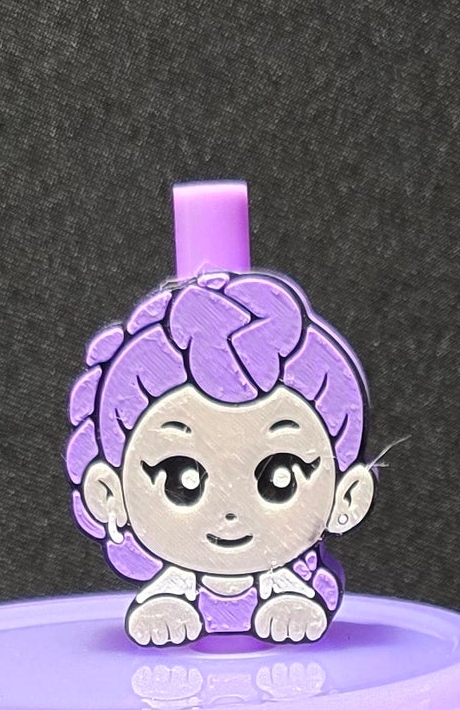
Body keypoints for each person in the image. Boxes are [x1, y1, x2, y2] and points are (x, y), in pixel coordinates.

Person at [66, 267, 375, 647]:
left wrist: (295, 609)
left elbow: (308, 600)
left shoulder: (294, 583)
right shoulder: (170, 588)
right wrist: (162, 613)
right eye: (180, 479)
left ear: (348, 496)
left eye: (280, 477)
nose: (230, 512)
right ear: (108, 495)